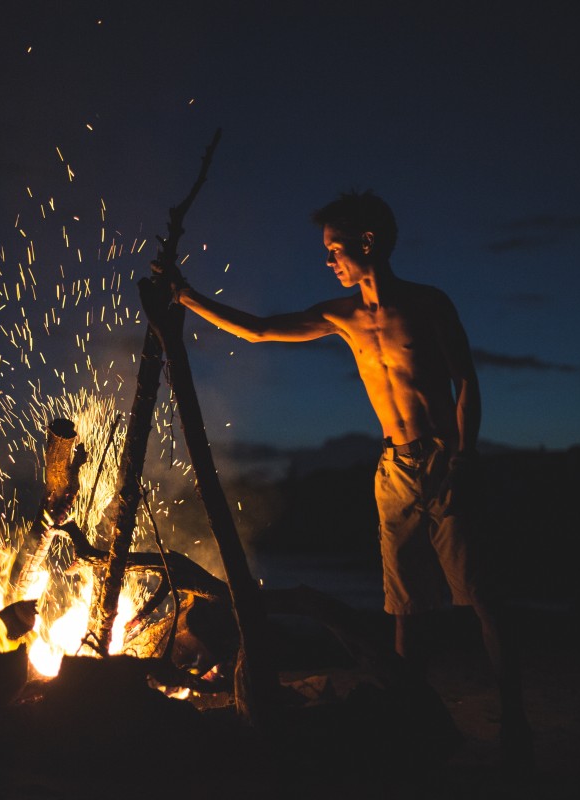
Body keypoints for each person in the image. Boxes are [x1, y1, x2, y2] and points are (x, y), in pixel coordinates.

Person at [162, 189, 533, 771]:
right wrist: (187, 297)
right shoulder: (341, 315)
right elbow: (259, 332)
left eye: (335, 248)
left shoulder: (428, 304)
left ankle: (514, 718)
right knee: (405, 607)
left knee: (482, 595)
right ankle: (409, 718)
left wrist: (463, 460)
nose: (328, 259)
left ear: (369, 242)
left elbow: (467, 382)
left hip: (443, 459)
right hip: (392, 471)